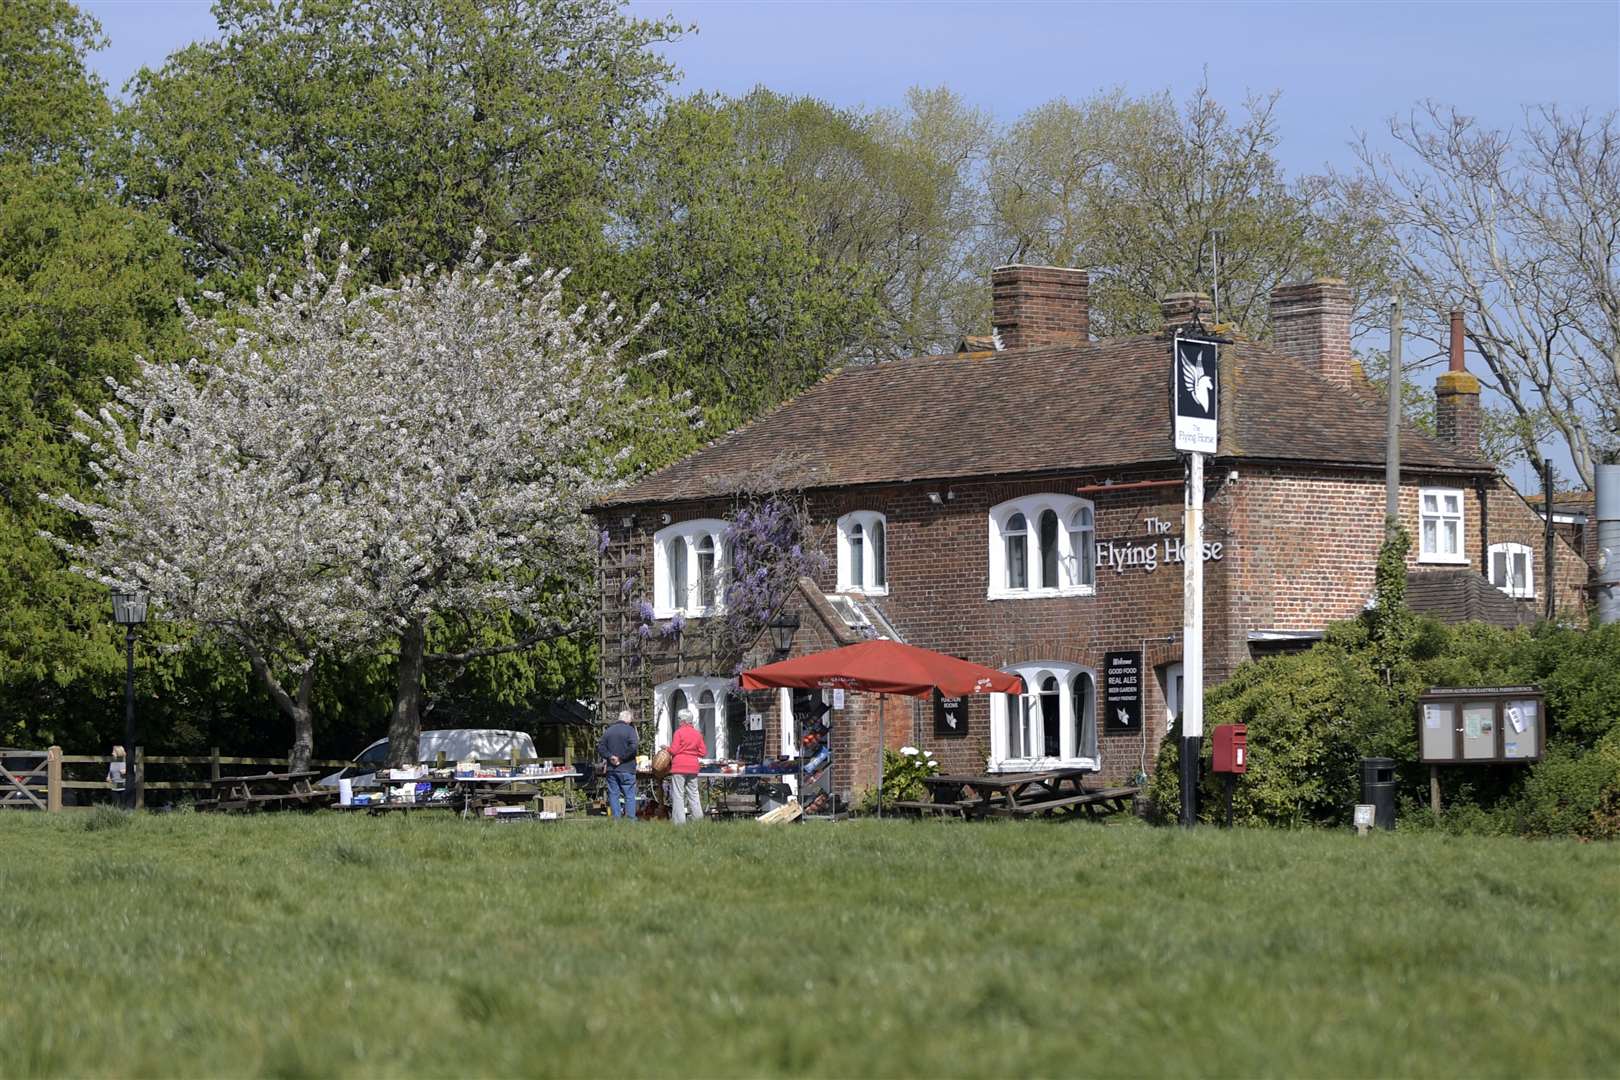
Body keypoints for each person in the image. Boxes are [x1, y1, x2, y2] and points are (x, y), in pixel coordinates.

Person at [597, 708, 640, 820]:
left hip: (612, 769)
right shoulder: (630, 730)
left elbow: (601, 747)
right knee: (629, 795)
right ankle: (630, 820)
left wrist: (610, 756)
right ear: (628, 720)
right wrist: (621, 758)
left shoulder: (609, 731)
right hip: (627, 768)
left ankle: (616, 819)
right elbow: (633, 747)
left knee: (613, 794)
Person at [667, 707, 707, 825]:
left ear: (683, 720)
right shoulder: (697, 734)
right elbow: (703, 752)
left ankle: (679, 822)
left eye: (679, 718)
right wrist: (693, 752)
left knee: (678, 794)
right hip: (693, 766)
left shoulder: (678, 732)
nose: (678, 720)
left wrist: (666, 749)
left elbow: (674, 750)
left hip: (679, 766)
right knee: (694, 793)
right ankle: (698, 820)